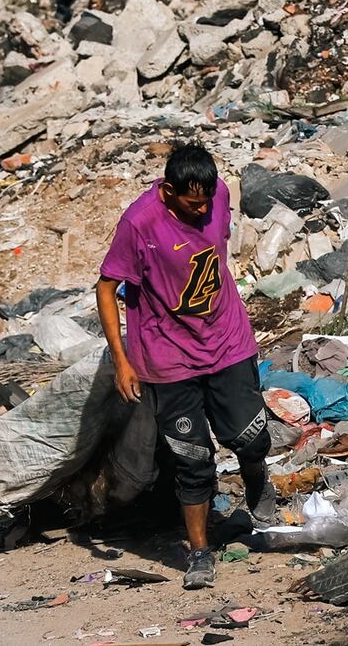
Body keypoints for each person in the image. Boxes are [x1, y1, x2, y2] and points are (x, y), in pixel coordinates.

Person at [96, 143, 276, 590]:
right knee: (192, 459)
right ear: (169, 191)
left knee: (250, 436)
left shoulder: (217, 196)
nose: (202, 209)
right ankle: (199, 552)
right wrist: (122, 361)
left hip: (227, 340)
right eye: (192, 202)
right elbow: (105, 288)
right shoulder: (139, 223)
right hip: (167, 355)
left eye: (207, 200)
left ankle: (257, 479)